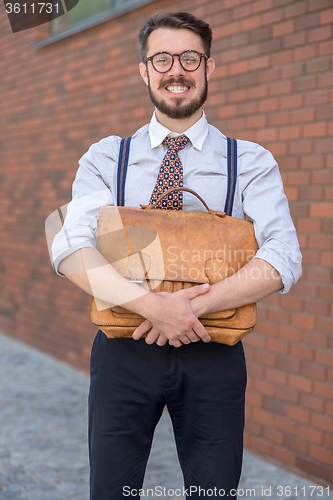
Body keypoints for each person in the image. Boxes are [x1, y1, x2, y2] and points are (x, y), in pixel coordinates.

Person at [51, 11, 302, 500]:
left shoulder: (249, 161)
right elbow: (69, 246)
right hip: (123, 349)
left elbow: (285, 255)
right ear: (144, 71)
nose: (176, 70)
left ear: (210, 68)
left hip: (214, 349)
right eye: (161, 58)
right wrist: (152, 307)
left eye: (190, 57)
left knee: (214, 492)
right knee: (111, 491)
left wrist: (189, 310)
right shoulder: (106, 157)